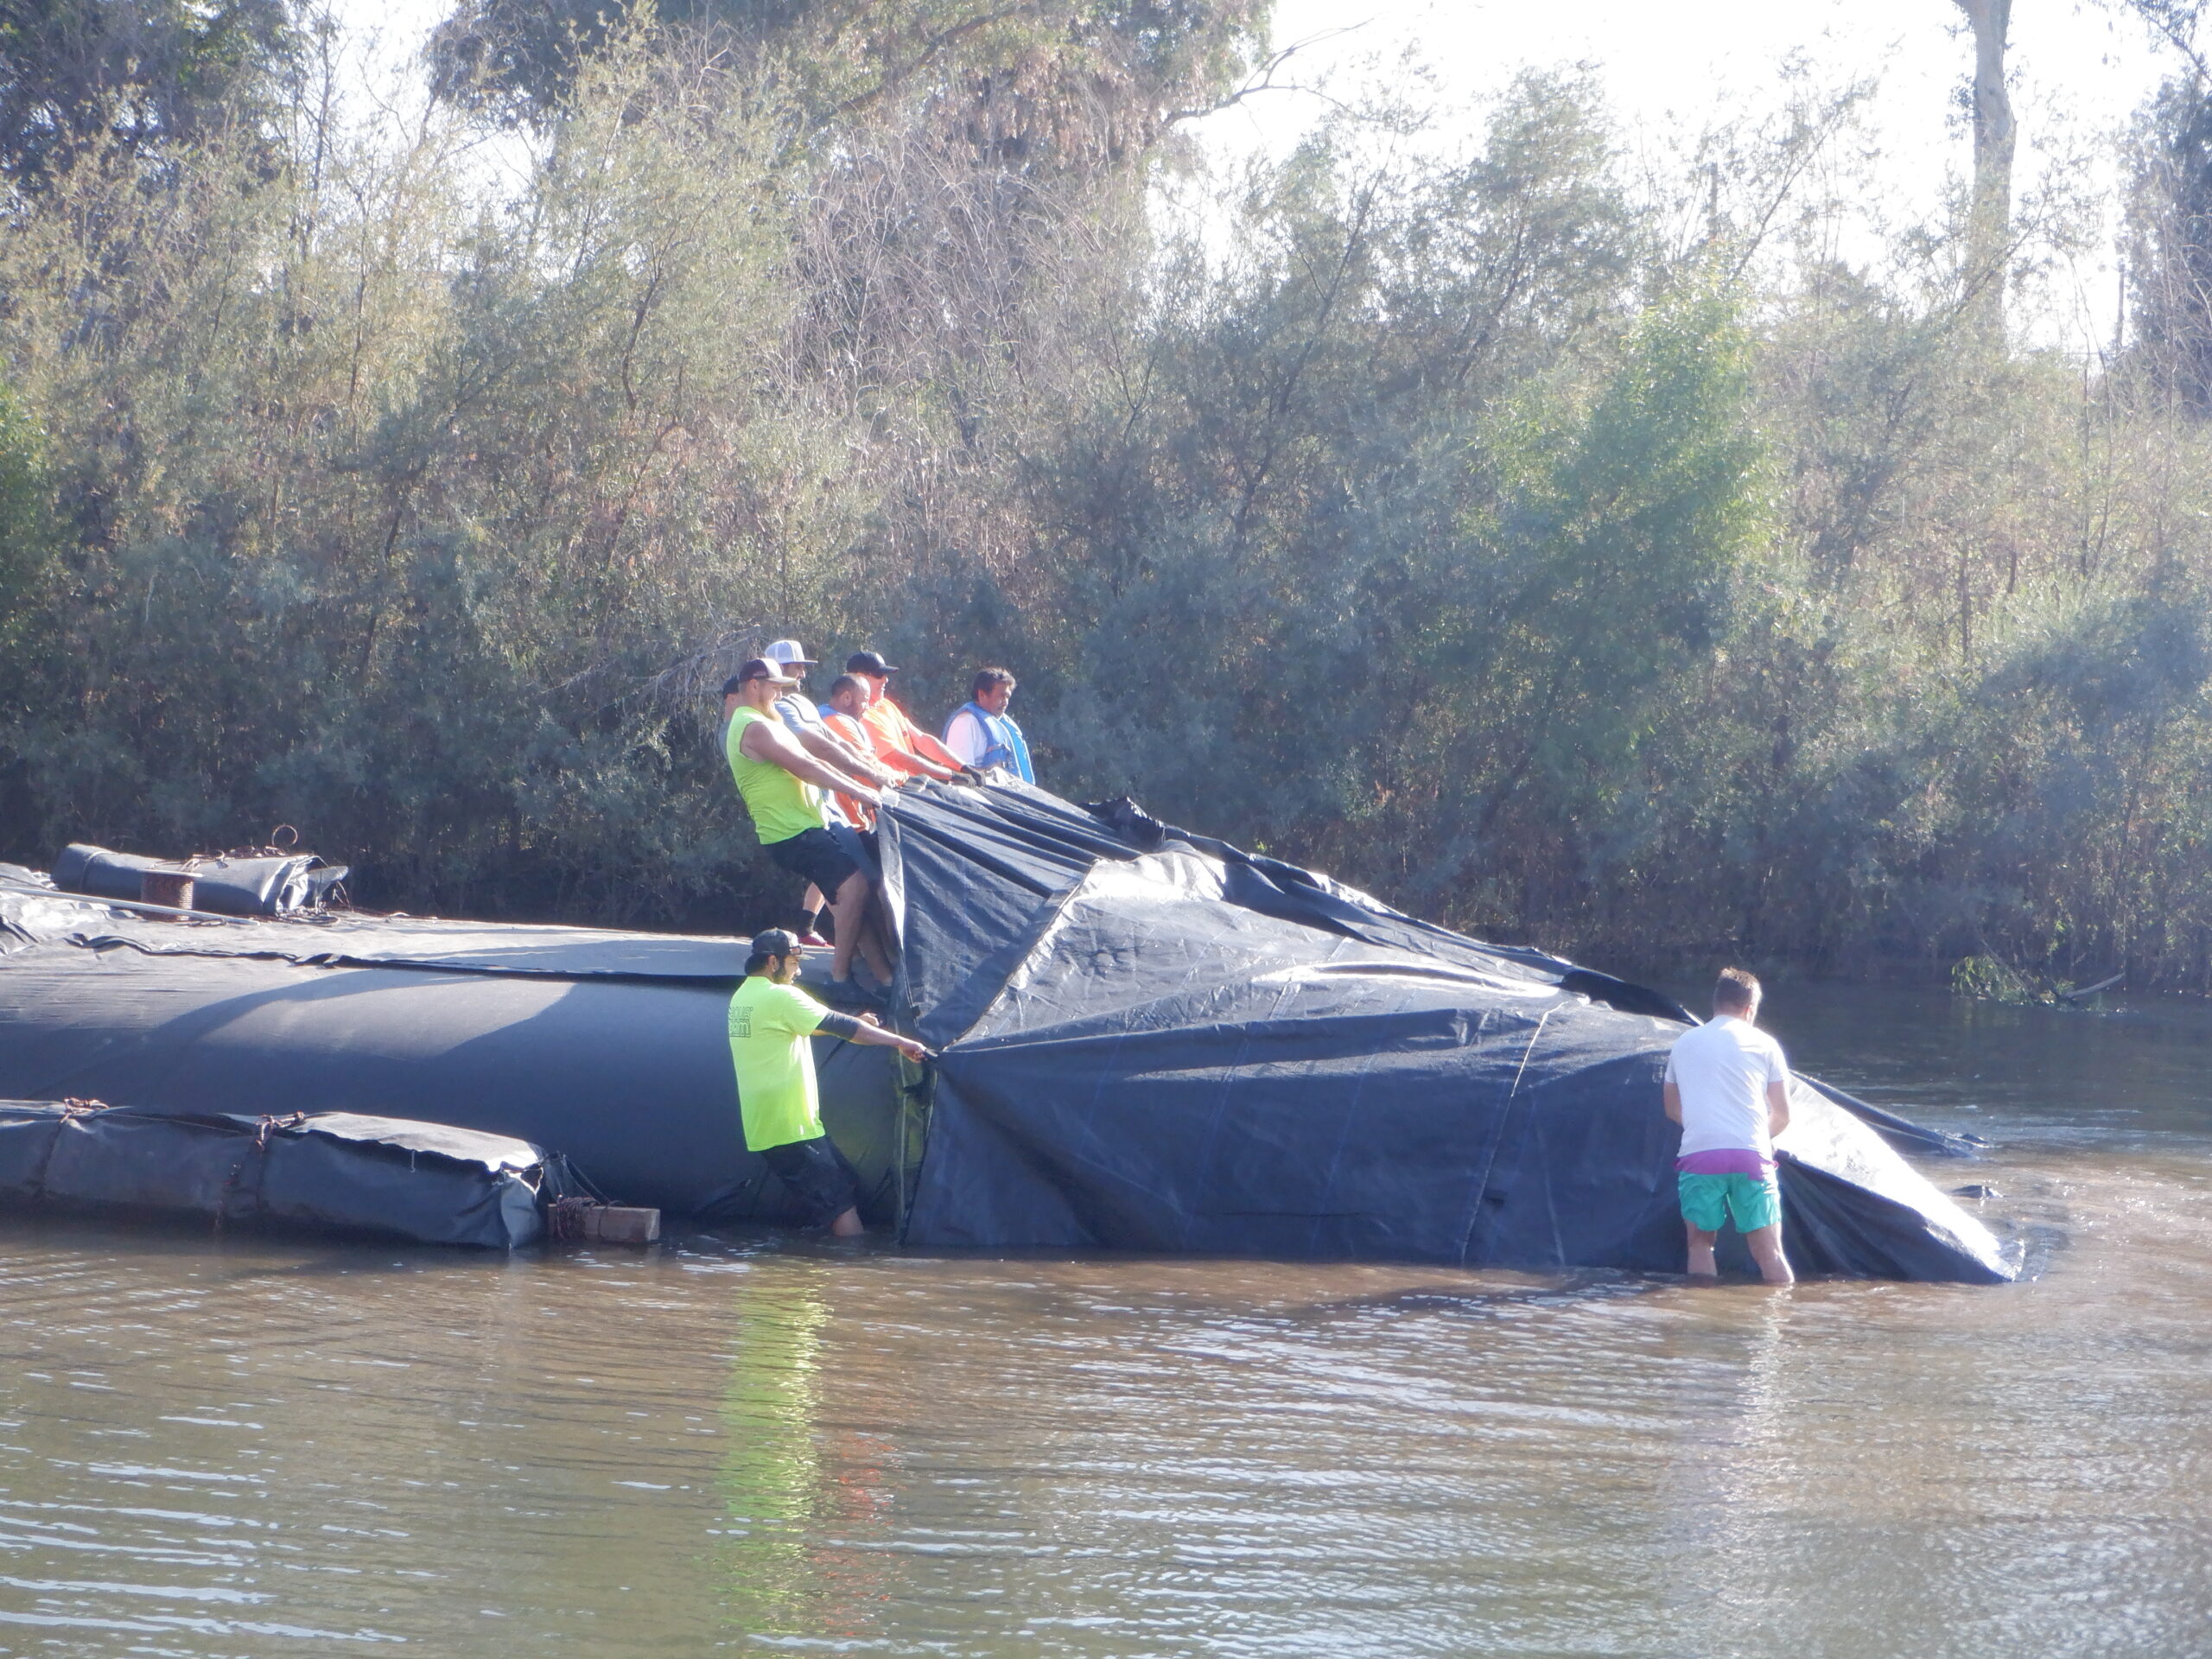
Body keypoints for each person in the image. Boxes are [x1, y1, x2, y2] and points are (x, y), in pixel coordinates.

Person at [729, 928, 931, 1236]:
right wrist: (900, 1042)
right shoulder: (781, 996)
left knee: (841, 1186)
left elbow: (805, 1023)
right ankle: (852, 1272)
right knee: (840, 1207)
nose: (799, 970)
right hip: (791, 1128)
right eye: (794, 962)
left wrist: (856, 1022)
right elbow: (843, 1028)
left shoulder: (744, 996)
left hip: (768, 1125)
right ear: (773, 962)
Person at [722, 658, 893, 990]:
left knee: (853, 897)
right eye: (774, 686)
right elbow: (804, 767)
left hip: (808, 825)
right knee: (855, 888)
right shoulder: (751, 726)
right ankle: (840, 978)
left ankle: (885, 977)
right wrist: (862, 789)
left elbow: (815, 757)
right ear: (754, 685)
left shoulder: (768, 717)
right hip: (790, 833)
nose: (779, 693)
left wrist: (865, 779)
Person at [1662, 967, 1795, 1286]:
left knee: (1700, 1245)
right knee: (1770, 1253)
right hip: (1751, 1155)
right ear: (1750, 1009)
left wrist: (1703, 1125)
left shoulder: (1684, 1043)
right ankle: (1780, 1326)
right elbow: (1782, 1114)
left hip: (1701, 1154)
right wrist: (1761, 1137)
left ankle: (1701, 1323)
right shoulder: (1766, 1044)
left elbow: (1671, 1109)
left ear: (1715, 1004)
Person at [760, 640, 898, 944]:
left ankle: (825, 938)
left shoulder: (804, 705)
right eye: (796, 668)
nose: (801, 675)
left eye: (801, 669)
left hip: (824, 803)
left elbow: (837, 744)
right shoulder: (779, 709)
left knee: (846, 879)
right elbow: (816, 749)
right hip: (803, 812)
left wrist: (877, 775)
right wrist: (867, 781)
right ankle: (856, 964)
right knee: (853, 881)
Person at [843, 651, 969, 782]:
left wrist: (963, 767)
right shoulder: (861, 716)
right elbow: (900, 759)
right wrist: (951, 775)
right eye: (879, 674)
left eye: (886, 675)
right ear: (859, 677)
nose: (886, 680)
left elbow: (921, 739)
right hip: (890, 791)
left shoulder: (886, 705)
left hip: (910, 786)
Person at [943, 666, 1034, 782]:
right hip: (977, 798)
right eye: (1001, 696)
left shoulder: (1005, 724)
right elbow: (961, 774)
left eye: (1007, 697)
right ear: (982, 694)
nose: (1005, 702)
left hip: (1009, 797)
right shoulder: (965, 722)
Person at [817, 676, 881, 827]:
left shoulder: (827, 717)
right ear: (847, 697)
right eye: (865, 700)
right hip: (847, 821)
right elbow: (869, 768)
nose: (868, 707)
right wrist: (903, 780)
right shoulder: (837, 722)